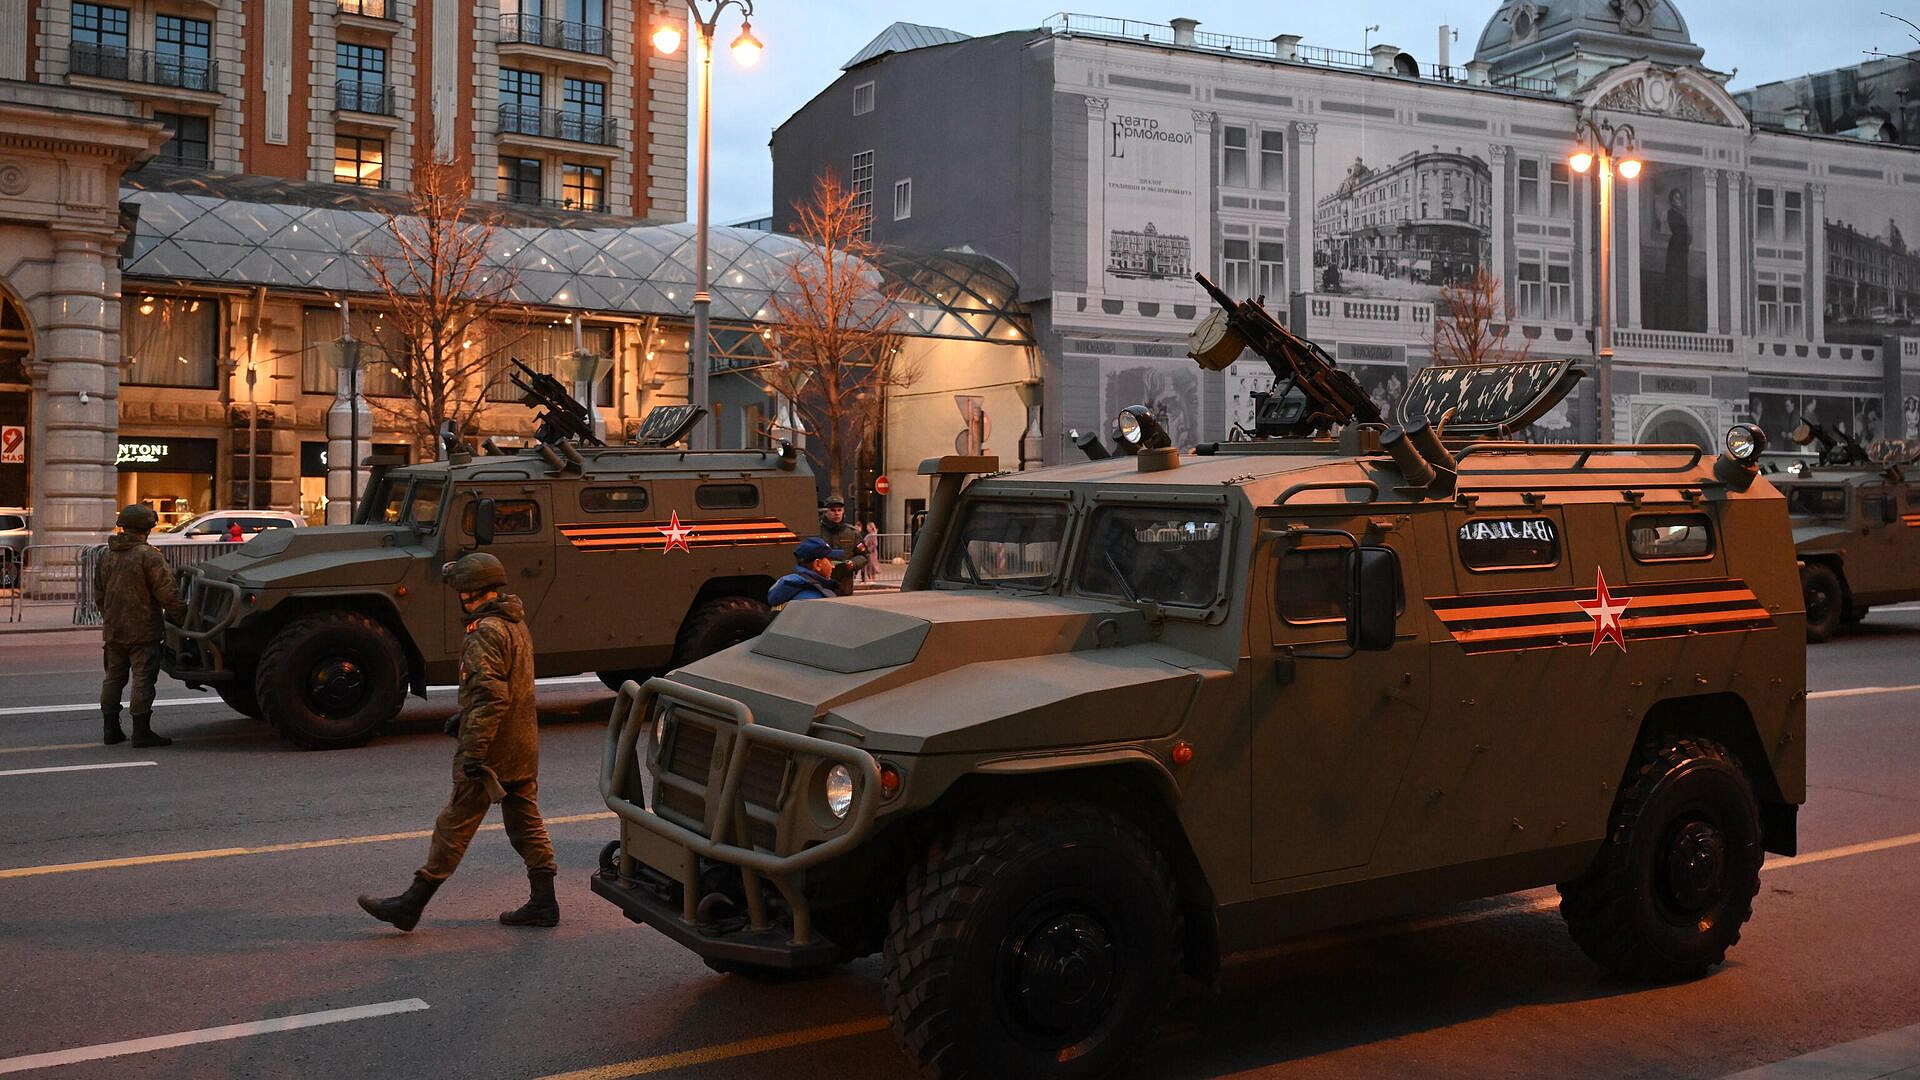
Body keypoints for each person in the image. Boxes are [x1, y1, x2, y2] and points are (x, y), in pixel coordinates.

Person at [358, 552, 557, 933]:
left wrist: (476, 749)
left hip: (492, 750)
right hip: (520, 744)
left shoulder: (484, 632)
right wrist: (464, 718)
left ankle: (410, 904)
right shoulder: (514, 623)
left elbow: (491, 696)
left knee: (454, 825)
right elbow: (508, 689)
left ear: (469, 593)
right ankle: (544, 902)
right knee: (526, 822)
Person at [96, 504, 188, 748]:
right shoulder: (149, 556)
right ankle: (141, 732)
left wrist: (111, 617)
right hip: (143, 630)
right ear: (147, 527)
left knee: (113, 678)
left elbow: (99, 594)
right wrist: (184, 618)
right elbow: (167, 594)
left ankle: (111, 729)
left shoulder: (106, 554)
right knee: (143, 679)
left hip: (114, 629)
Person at [817, 495, 867, 596]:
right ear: (826, 512)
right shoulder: (817, 531)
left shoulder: (852, 533)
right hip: (822, 582)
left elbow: (864, 555)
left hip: (844, 584)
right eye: (833, 510)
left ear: (843, 511)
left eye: (839, 510)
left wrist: (853, 563)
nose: (836, 513)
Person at [769, 537, 841, 605]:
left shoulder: (792, 588)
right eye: (830, 561)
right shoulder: (815, 600)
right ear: (817, 564)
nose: (833, 566)